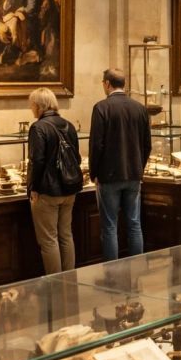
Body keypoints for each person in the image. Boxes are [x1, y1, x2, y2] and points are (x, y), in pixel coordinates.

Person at [89, 69, 151, 261]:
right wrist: (140, 167)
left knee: (109, 226)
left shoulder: (101, 107)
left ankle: (113, 272)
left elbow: (96, 144)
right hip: (133, 174)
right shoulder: (140, 108)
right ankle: (136, 266)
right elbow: (147, 144)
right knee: (134, 223)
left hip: (109, 175)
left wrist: (94, 173)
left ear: (107, 84)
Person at [27, 88, 83, 274]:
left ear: (38, 106)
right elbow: (77, 157)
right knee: (66, 235)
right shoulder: (69, 125)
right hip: (70, 189)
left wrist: (33, 187)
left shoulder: (38, 127)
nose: (31, 108)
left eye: (32, 105)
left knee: (49, 240)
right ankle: (69, 279)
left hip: (48, 191)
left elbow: (37, 161)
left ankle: (55, 283)